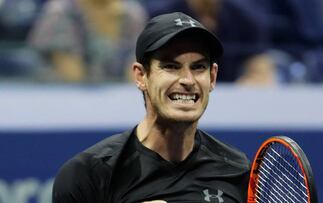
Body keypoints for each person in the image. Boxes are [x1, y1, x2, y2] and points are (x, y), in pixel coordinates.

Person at [52, 12, 250, 203]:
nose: (188, 80)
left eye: (198, 67)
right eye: (170, 66)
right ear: (140, 76)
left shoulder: (236, 169)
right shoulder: (88, 174)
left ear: (212, 77)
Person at [144, 0, 278, 86]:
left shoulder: (247, 18)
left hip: (231, 98)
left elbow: (261, 70)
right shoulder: (161, 17)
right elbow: (145, 68)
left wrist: (250, 84)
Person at [27, 0, 146, 82]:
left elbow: (136, 76)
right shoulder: (60, 12)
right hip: (64, 100)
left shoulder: (132, 14)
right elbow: (73, 77)